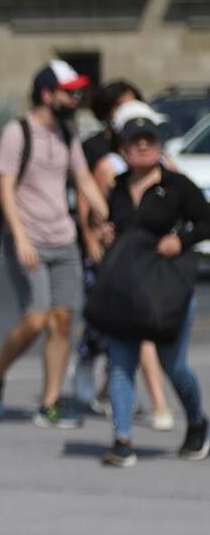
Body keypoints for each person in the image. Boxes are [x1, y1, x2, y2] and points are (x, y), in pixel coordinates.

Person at [0, 60, 109, 427]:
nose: (76, 97)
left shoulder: (68, 133)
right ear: (47, 94)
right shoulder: (18, 132)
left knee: (62, 322)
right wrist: (19, 238)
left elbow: (82, 178)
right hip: (29, 237)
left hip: (63, 238)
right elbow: (5, 188)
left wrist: (105, 215)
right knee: (35, 321)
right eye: (69, 91)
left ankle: (49, 404)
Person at [98, 115, 210, 466]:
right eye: (136, 142)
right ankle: (122, 440)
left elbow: (206, 220)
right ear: (124, 150)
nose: (143, 146)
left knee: (172, 364)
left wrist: (182, 240)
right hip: (126, 286)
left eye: (150, 141)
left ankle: (196, 421)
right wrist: (107, 235)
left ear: (159, 148)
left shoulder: (177, 186)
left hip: (167, 286)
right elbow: (111, 225)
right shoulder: (116, 186)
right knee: (120, 362)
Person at [75, 88, 176, 431]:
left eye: (151, 133)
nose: (146, 140)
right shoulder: (109, 167)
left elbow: (188, 207)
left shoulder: (165, 164)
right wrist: (94, 242)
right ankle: (156, 406)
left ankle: (109, 389)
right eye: (140, 133)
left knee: (130, 334)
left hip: (153, 263)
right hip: (119, 262)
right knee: (135, 331)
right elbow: (90, 210)